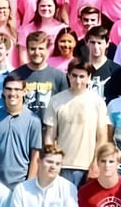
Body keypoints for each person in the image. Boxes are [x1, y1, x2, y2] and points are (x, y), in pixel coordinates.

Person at [43, 58, 109, 187]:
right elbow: (49, 136)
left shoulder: (98, 102)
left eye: (82, 76)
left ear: (89, 77)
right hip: (61, 166)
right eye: (74, 76)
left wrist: (96, 163)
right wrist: (51, 162)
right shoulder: (56, 100)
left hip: (88, 166)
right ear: (68, 75)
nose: (78, 81)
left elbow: (102, 137)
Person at [0, 73, 42, 188]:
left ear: (24, 92)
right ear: (3, 91)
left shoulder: (33, 120)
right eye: (9, 89)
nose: (12, 93)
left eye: (17, 89)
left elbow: (35, 155)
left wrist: (29, 184)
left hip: (22, 183)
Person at [11, 31, 69, 121]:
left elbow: (64, 110)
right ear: (27, 49)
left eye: (41, 48)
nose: (37, 52)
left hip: (49, 130)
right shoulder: (15, 76)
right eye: (33, 49)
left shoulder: (59, 77)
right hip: (23, 129)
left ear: (47, 50)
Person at [85, 26, 121, 104]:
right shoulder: (80, 69)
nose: (96, 47)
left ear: (107, 44)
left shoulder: (117, 71)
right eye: (93, 42)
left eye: (99, 43)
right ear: (87, 43)